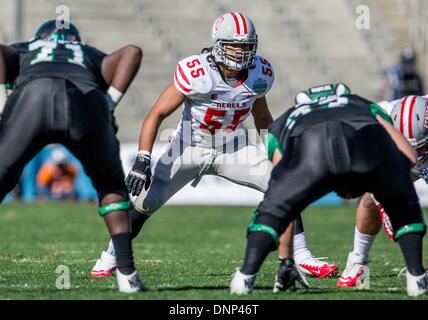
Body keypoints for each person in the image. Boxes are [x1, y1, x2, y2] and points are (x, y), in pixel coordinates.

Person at [91, 12, 337, 280]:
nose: (242, 52)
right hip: (189, 146)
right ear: (218, 44)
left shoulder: (259, 73)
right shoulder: (197, 72)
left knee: (284, 184)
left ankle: (301, 256)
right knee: (144, 202)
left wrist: (276, 151)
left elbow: (262, 117)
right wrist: (142, 159)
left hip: (233, 146)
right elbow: (156, 114)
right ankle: (110, 256)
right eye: (235, 45)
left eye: (247, 45)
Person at [229, 83, 428, 297]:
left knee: (274, 210)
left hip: (312, 153)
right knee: (403, 201)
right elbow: (410, 157)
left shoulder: (286, 120)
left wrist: (285, 260)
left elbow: (283, 200)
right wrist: (393, 190)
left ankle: (245, 277)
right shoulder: (365, 106)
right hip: (354, 148)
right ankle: (416, 278)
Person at [0, 19, 145, 292]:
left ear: (40, 38)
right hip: (85, 100)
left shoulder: (28, 49)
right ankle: (126, 274)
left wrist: (5, 99)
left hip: (32, 99)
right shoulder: (86, 53)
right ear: (75, 41)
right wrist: (109, 103)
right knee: (110, 185)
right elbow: (133, 52)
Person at [338, 95, 428, 289]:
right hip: (397, 151)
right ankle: (358, 261)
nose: (418, 156)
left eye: (422, 147)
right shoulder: (375, 121)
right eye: (416, 148)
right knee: (370, 197)